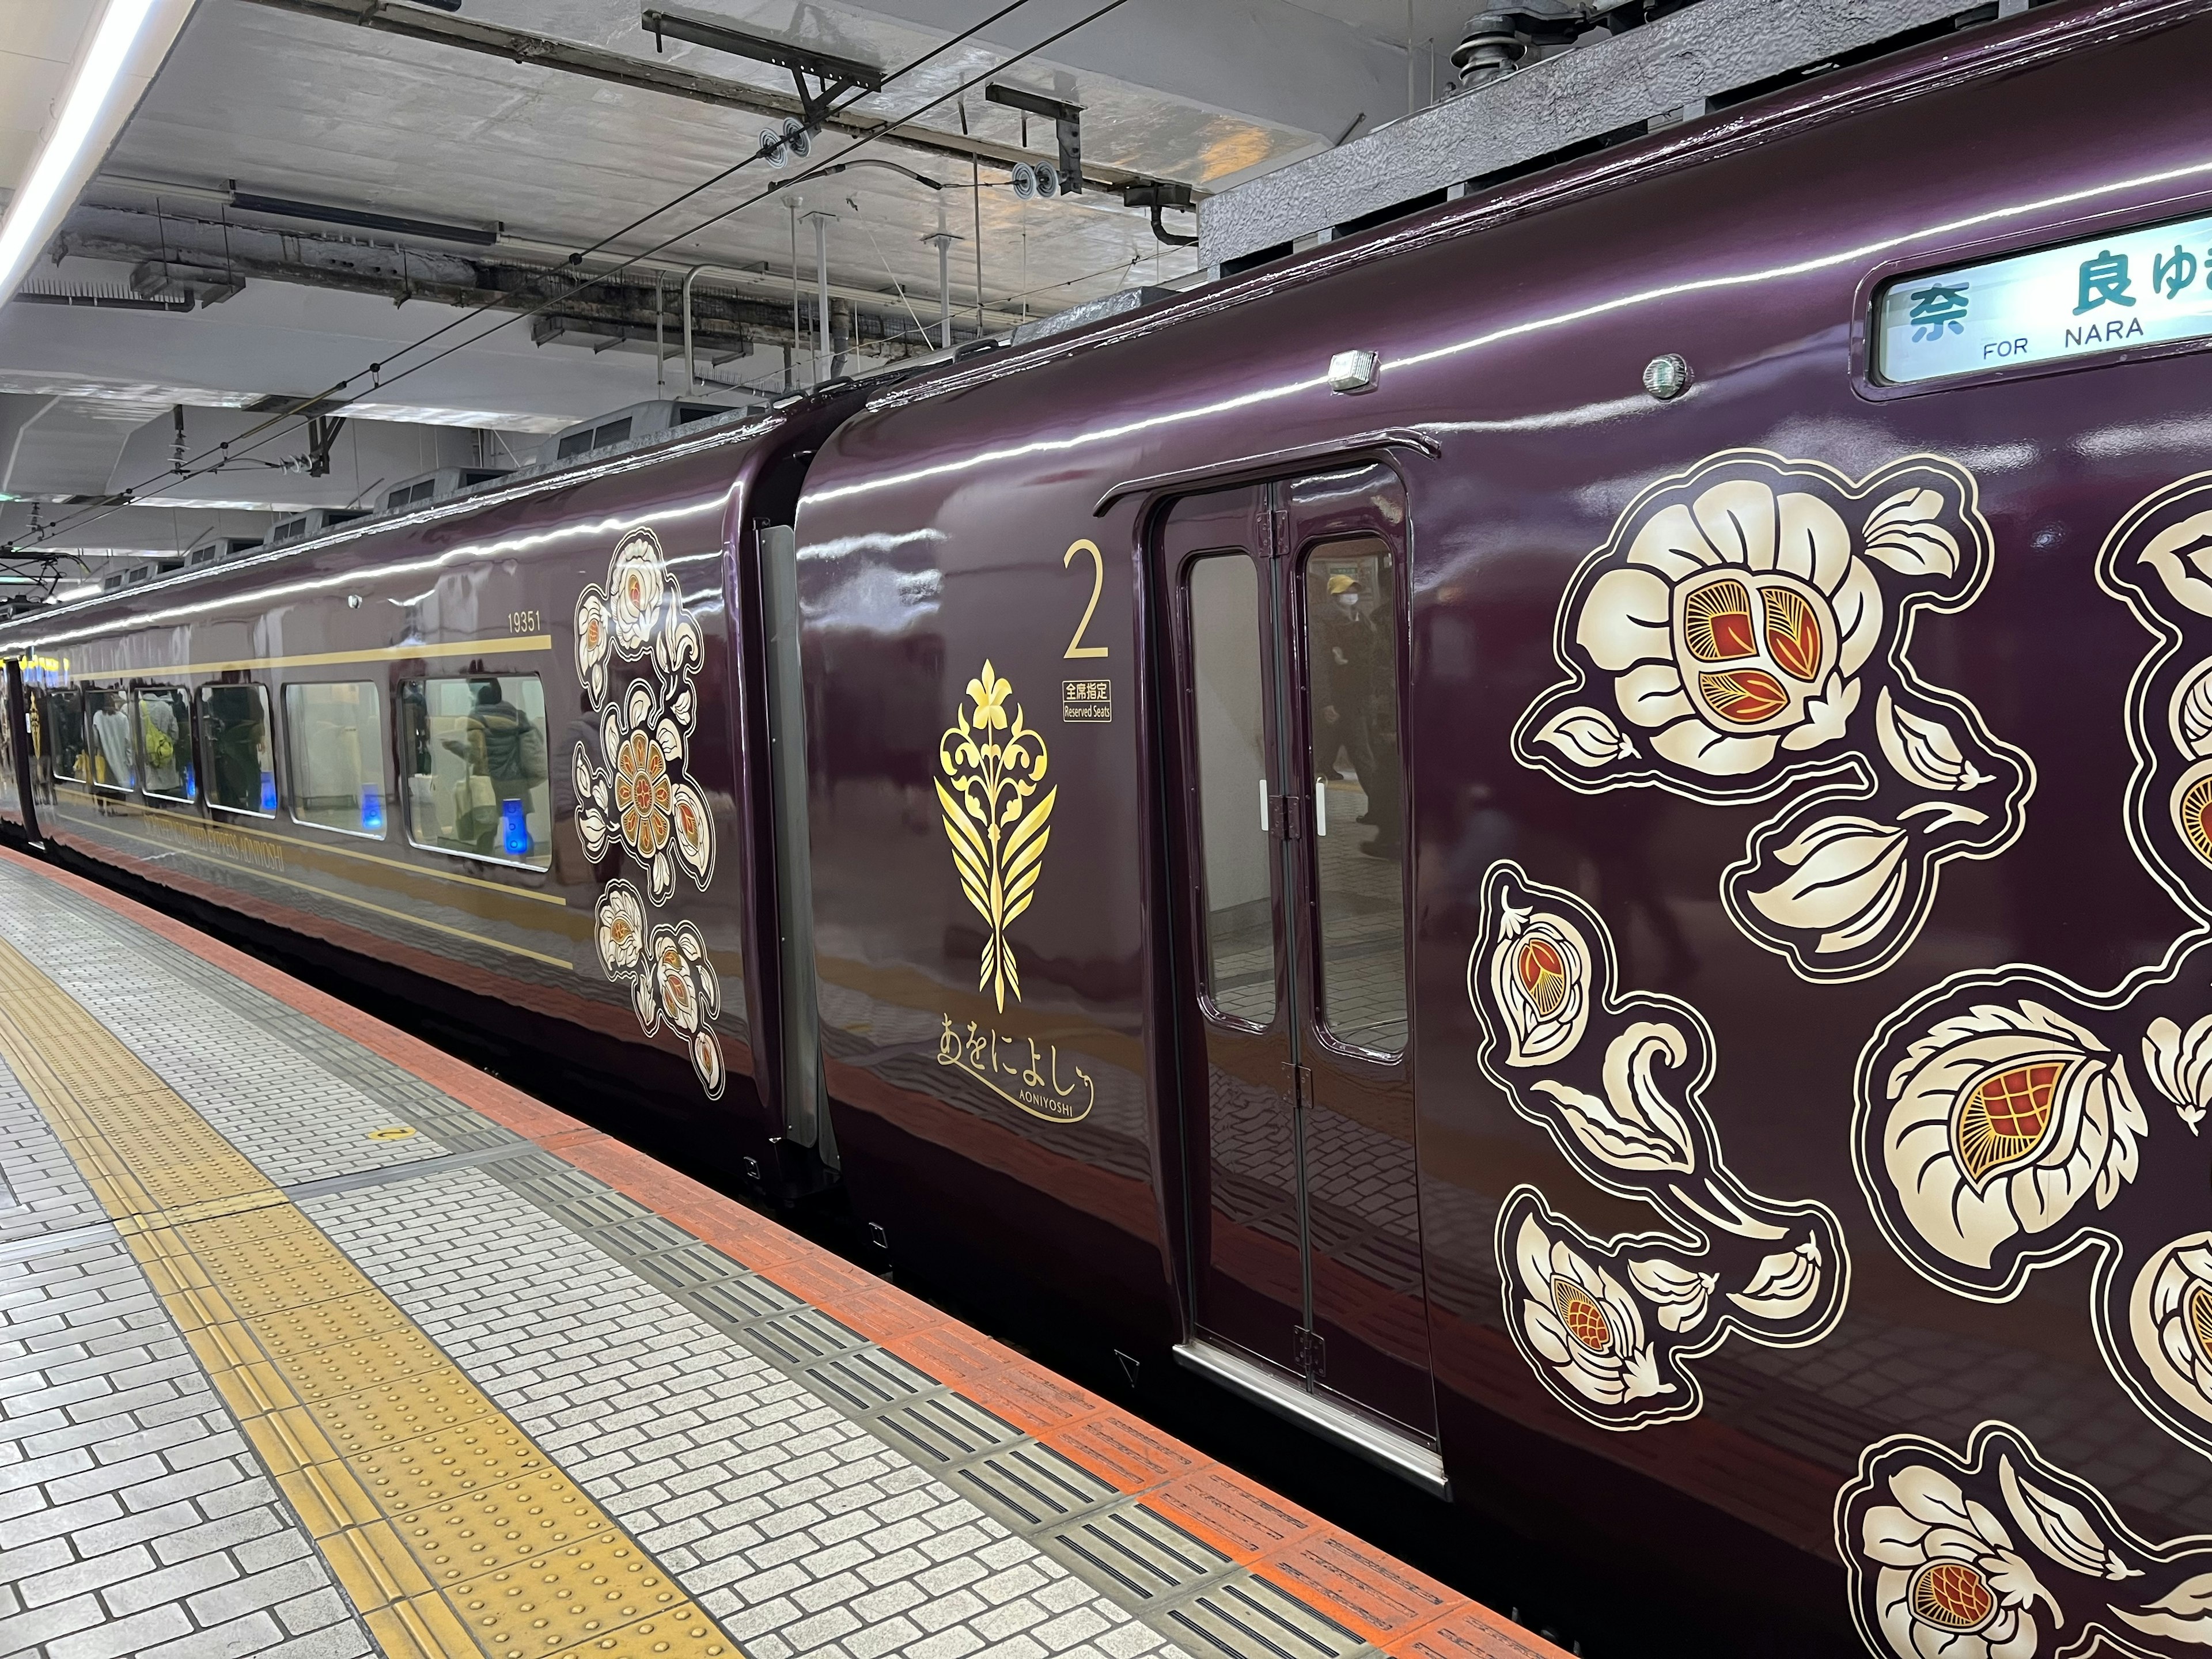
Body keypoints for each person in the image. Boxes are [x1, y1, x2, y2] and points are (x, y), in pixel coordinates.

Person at [1310, 570, 1402, 858]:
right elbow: (1321, 665)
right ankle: (1383, 817)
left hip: (1364, 699)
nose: (1353, 596)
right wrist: (1326, 700)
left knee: (1364, 755)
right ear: (1334, 596)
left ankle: (1383, 817)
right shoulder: (1324, 622)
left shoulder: (1365, 619)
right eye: (1347, 592)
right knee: (1359, 754)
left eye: (1355, 591)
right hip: (1344, 701)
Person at [444, 679, 548, 855]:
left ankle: (483, 871)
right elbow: (535, 743)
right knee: (517, 830)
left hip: (490, 786)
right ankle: (528, 867)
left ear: (478, 696)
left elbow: (477, 755)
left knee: (487, 832)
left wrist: (454, 746)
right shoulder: (518, 716)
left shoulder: (476, 719)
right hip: (516, 783)